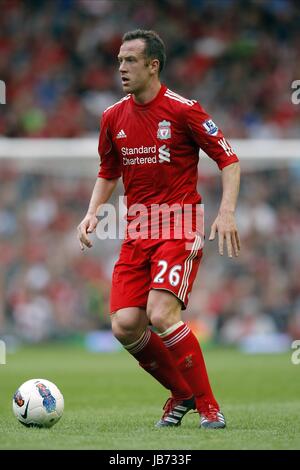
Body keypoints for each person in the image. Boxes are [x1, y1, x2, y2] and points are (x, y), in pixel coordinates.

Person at [77, 29, 240, 429]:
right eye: (119, 61)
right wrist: (92, 211)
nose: (121, 68)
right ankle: (181, 395)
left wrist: (227, 212)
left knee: (161, 312)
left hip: (179, 225)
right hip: (137, 231)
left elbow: (229, 160)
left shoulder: (184, 110)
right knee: (125, 325)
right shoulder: (112, 116)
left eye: (130, 60)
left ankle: (208, 406)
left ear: (153, 65)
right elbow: (108, 170)